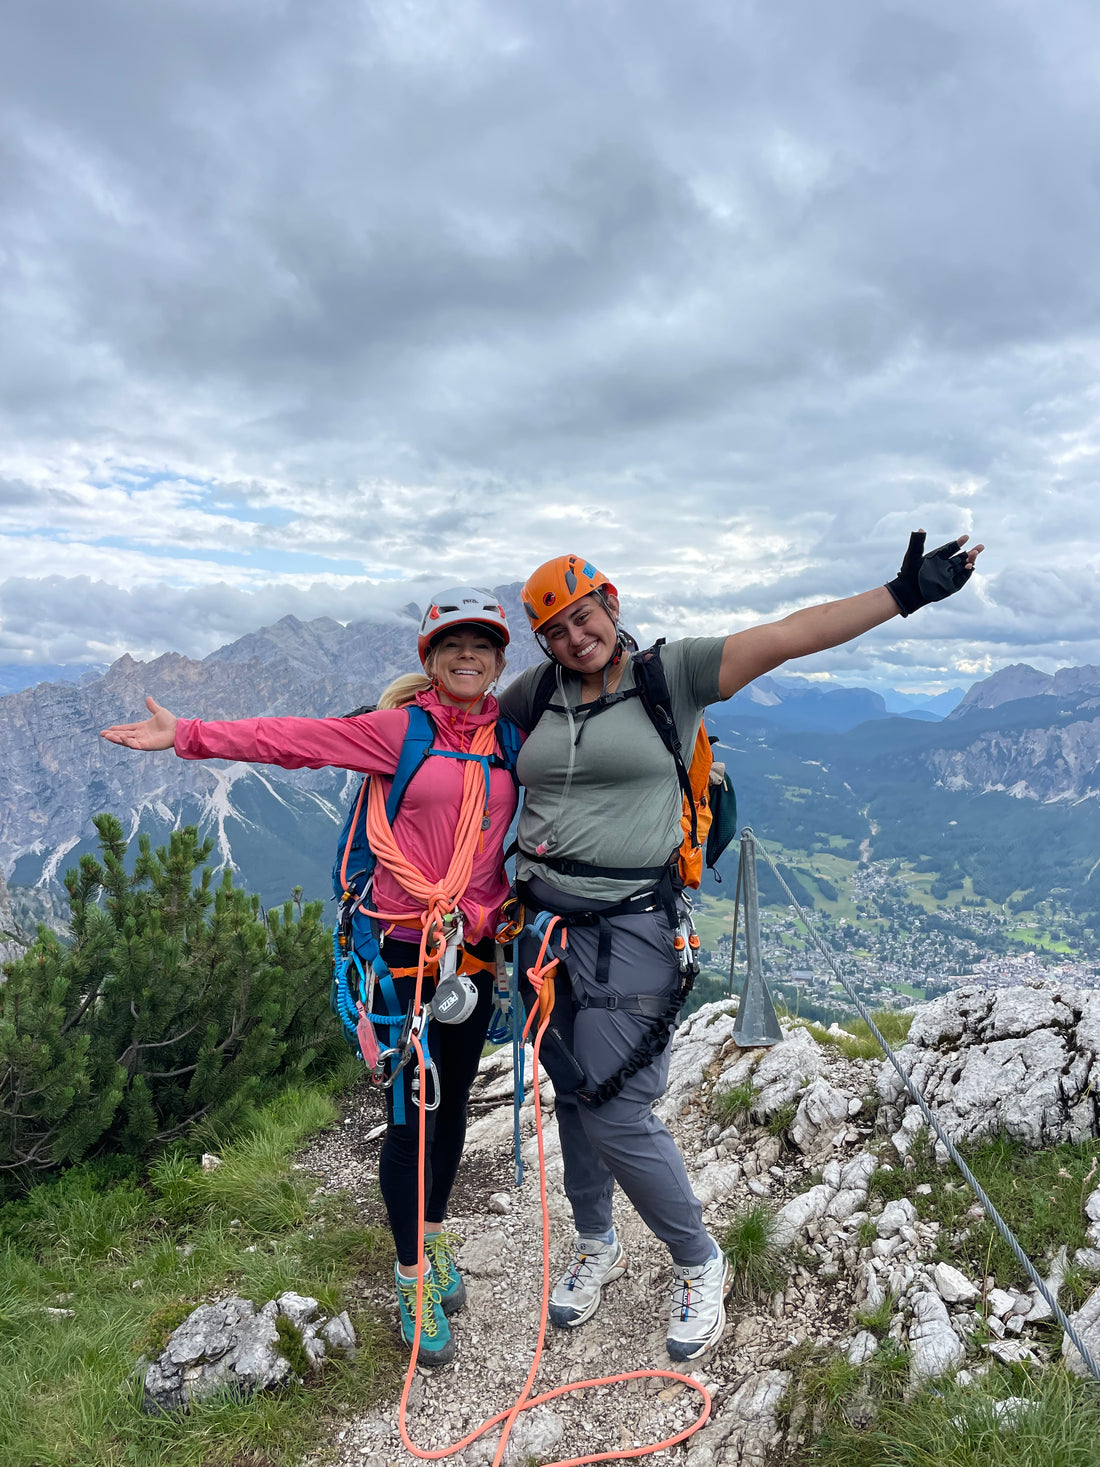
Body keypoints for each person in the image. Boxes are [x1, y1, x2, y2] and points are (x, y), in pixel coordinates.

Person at [498, 531, 984, 1362]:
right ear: (542, 642)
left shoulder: (670, 674)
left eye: (586, 619)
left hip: (634, 927)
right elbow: (463, 729)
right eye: (558, 631)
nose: (577, 639)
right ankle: (595, 1238)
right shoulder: (533, 696)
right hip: (543, 931)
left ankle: (698, 1257)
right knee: (574, 1089)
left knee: (615, 1105)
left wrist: (901, 595)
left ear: (611, 606)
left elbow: (794, 633)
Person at [100, 588, 521, 1368]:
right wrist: (188, 733)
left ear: (500, 660)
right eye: (453, 644)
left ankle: (433, 1237)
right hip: (400, 954)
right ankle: (410, 1276)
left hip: (471, 955)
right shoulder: (400, 730)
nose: (469, 655)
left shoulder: (511, 740)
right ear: (430, 659)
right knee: (410, 1116)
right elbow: (294, 739)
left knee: (453, 1103)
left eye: (483, 644)